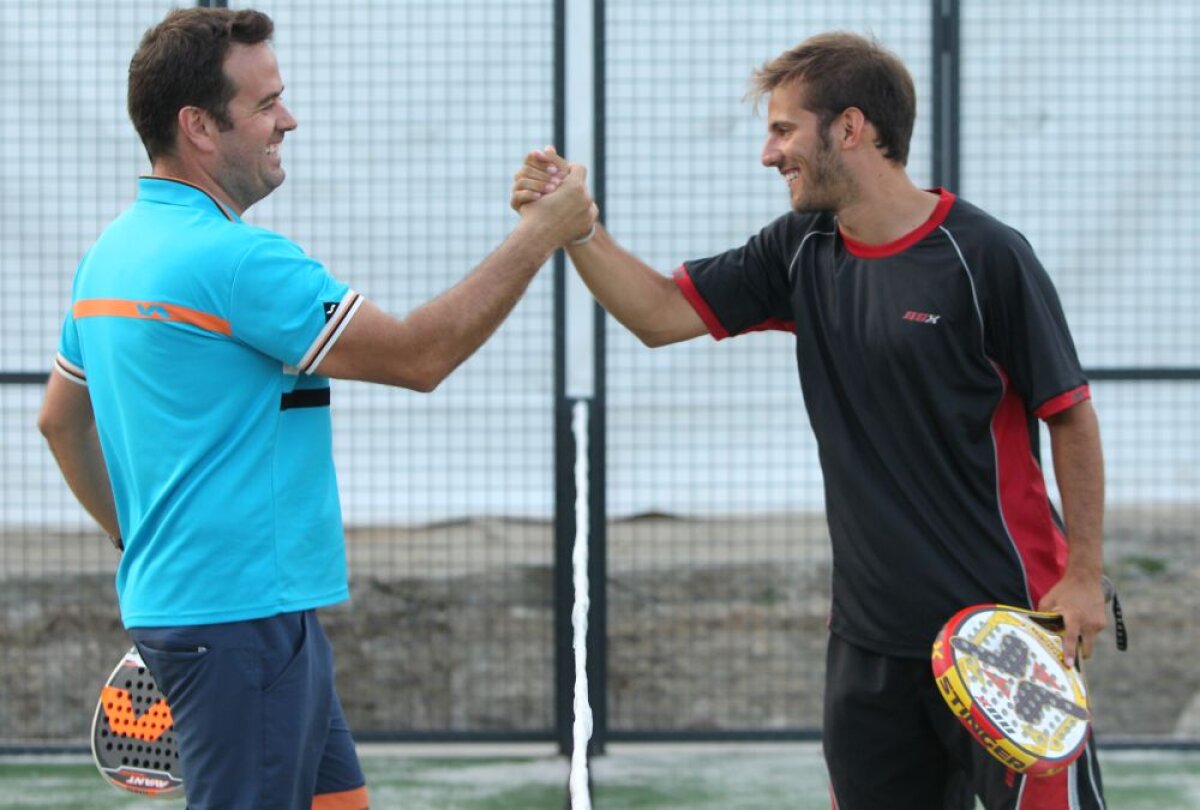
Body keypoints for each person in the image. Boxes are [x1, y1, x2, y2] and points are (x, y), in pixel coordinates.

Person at [513, 31, 1108, 810]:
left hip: (1004, 630)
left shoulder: (986, 256)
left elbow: (1070, 415)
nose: (769, 153)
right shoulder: (800, 250)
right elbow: (658, 314)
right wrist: (577, 227)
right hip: (867, 637)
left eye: (784, 129)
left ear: (851, 128)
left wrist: (1086, 577)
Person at [36, 8, 594, 810]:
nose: (287, 119)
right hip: (241, 622)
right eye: (264, 104)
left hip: (225, 612)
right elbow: (417, 356)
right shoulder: (238, 262)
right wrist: (542, 234)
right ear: (198, 126)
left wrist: (141, 540)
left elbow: (59, 423)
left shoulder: (109, 256)